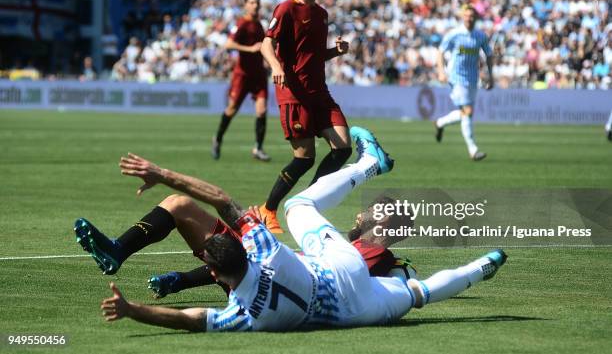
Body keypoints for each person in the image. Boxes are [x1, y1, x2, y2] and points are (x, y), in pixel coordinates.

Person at [88, 127, 507, 331]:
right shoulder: (265, 251)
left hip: (349, 312)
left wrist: (130, 310)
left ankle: (481, 268)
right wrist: (161, 173)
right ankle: (369, 165)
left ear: (216, 275)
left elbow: (192, 320)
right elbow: (218, 196)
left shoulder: (246, 315)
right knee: (297, 205)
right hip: (342, 269)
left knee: (420, 294)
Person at [147, 194, 417, 299]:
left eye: (368, 210)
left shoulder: (374, 254)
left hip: (268, 283)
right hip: (265, 276)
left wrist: (260, 232)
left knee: (182, 207)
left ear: (384, 220)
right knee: (180, 207)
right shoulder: (360, 251)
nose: (359, 215)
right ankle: (176, 281)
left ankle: (175, 279)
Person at [257, 0, 354, 234]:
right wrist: (276, 65)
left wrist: (336, 51)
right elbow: (266, 43)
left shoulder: (322, 14)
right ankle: (269, 209)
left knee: (343, 148)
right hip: (294, 93)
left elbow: (312, 56)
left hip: (319, 92)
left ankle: (306, 200)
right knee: (305, 157)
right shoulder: (287, 8)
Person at [212, 0, 271, 162]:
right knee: (231, 110)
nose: (255, 5)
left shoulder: (260, 25)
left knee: (262, 110)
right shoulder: (242, 24)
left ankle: (258, 148)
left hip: (259, 74)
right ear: (245, 5)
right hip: (242, 75)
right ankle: (217, 138)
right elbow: (228, 44)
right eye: (252, 2)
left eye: (257, 2)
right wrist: (250, 48)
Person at [434, 5, 494, 161]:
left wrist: (491, 76)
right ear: (462, 17)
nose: (469, 18)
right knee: (467, 111)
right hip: (456, 77)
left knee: (466, 113)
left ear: (476, 18)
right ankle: (473, 149)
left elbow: (489, 54)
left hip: (472, 78)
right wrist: (441, 71)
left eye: (472, 16)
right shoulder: (454, 34)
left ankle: (440, 123)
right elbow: (440, 51)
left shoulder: (480, 36)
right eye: (466, 15)